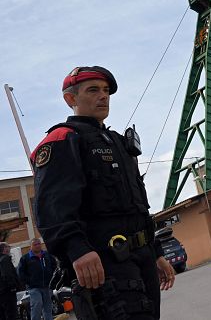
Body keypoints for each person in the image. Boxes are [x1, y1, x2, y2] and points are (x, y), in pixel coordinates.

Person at [31, 66, 175, 319]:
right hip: (103, 262)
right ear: (71, 99)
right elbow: (53, 205)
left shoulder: (118, 142)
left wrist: (156, 253)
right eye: (93, 90)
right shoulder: (64, 139)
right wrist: (76, 249)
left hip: (141, 259)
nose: (103, 96)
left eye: (106, 91)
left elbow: (137, 206)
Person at [17, 238, 57, 320]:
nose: (38, 246)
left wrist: (53, 278)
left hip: (47, 285)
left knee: (48, 308)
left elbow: (55, 266)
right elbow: (21, 273)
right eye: (35, 244)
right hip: (34, 287)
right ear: (30, 246)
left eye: (39, 244)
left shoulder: (47, 255)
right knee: (37, 304)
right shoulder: (25, 258)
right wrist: (29, 281)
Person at [0, 242, 21, 320]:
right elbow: (7, 274)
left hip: (2, 292)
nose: (9, 248)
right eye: (8, 246)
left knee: (3, 315)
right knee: (11, 313)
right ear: (4, 248)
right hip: (7, 292)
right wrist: (13, 286)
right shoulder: (5, 259)